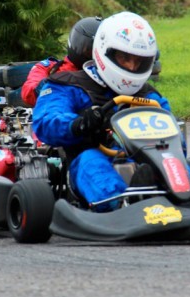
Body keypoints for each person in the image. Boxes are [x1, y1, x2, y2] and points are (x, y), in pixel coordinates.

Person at [32, 11, 172, 211]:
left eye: (138, 61)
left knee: (169, 161)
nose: (132, 67)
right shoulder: (67, 85)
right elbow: (47, 120)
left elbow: (172, 136)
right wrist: (78, 124)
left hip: (141, 158)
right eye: (125, 58)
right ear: (106, 52)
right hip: (86, 160)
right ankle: (123, 205)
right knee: (93, 163)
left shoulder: (148, 95)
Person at [21, 16, 103, 107]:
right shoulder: (49, 67)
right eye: (89, 50)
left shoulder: (105, 74)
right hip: (55, 111)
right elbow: (28, 92)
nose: (92, 54)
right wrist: (50, 86)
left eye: (97, 50)